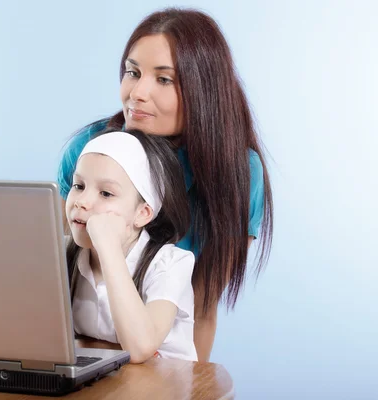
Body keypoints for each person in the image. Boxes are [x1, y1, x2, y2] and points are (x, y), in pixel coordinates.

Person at [58, 8, 274, 361]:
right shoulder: (90, 150)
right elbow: (56, 268)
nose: (137, 93)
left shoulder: (238, 174)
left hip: (160, 362)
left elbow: (202, 310)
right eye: (132, 72)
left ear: (203, 89)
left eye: (164, 79)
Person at [65, 129, 197, 363]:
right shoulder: (63, 255)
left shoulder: (170, 264)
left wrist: (108, 248)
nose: (82, 202)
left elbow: (140, 347)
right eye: (78, 186)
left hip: (164, 386)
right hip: (106, 382)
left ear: (142, 213)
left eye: (106, 193)